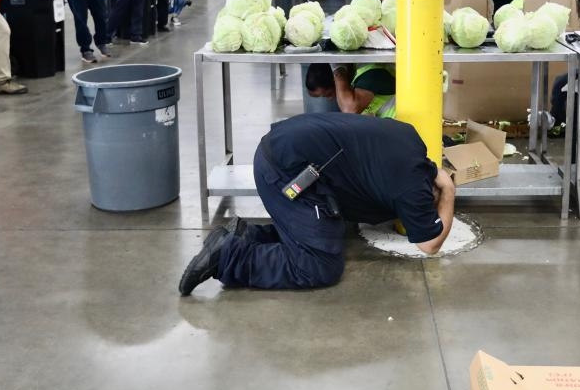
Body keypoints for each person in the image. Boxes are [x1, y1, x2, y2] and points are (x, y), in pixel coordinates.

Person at [178, 113, 455, 295]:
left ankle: (245, 235)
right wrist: (450, 192)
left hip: (283, 147)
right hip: (284, 172)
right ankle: (229, 257)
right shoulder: (409, 188)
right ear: (428, 192)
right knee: (318, 264)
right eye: (430, 203)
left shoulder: (411, 141)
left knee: (329, 234)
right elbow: (430, 244)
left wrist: (439, 183)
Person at [305, 62, 396, 117]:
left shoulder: (372, 73)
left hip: (401, 131)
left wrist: (337, 69)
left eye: (328, 94)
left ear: (336, 81)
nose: (330, 98)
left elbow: (349, 110)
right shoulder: (354, 80)